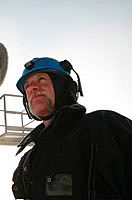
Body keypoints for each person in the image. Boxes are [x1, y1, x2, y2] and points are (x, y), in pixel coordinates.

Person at [12, 57, 132, 200]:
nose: (32, 88)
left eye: (42, 79)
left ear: (64, 87)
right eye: (27, 86)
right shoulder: (27, 162)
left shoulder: (105, 127)